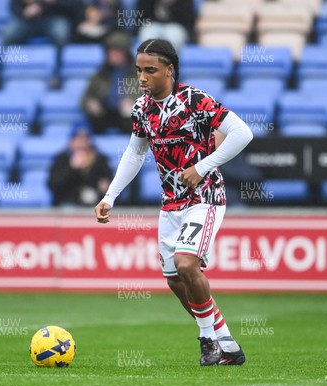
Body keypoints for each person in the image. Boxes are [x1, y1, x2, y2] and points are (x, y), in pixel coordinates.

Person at [94, 39, 254, 366]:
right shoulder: (142, 108)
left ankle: (207, 339)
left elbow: (242, 133)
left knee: (185, 263)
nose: (142, 77)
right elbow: (135, 152)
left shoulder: (194, 99)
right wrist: (110, 195)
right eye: (139, 69)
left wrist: (202, 166)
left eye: (150, 70)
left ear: (170, 70)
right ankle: (226, 344)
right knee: (174, 279)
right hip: (170, 204)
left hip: (205, 197)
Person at [81, 30, 139, 133]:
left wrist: (134, 103)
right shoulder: (101, 74)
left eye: (116, 52)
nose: (112, 55)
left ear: (125, 53)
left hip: (128, 119)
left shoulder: (138, 74)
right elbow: (86, 97)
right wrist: (90, 104)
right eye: (110, 52)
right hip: (104, 115)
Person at [48, 121, 113, 206]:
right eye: (79, 139)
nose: (82, 143)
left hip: (95, 205)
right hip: (66, 205)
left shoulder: (99, 159)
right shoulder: (62, 159)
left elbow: (109, 181)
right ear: (72, 141)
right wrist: (72, 168)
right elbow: (53, 185)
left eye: (85, 139)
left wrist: (105, 185)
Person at [3, 0, 84, 46]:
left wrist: (55, 2)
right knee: (9, 33)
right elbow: (14, 5)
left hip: (53, 19)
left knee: (61, 33)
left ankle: (56, 71)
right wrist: (24, 12)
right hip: (28, 21)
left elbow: (74, 6)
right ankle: (1, 69)